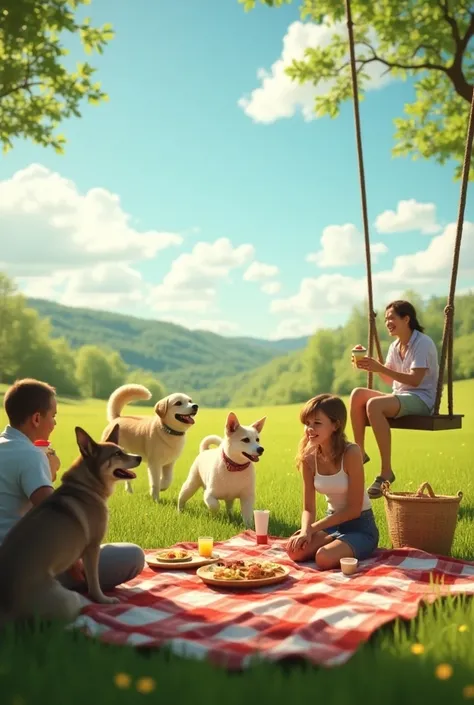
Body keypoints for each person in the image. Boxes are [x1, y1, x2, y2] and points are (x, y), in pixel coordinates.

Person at [0, 378, 145, 593]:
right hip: (21, 568)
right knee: (132, 556)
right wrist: (74, 563)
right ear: (37, 418)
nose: (55, 423)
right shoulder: (30, 455)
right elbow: (55, 516)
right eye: (54, 416)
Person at [350, 300, 439, 499]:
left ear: (406, 319)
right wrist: (369, 366)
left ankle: (386, 472)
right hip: (400, 395)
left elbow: (415, 380)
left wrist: (380, 367)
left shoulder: (422, 343)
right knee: (357, 394)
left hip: (421, 398)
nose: (387, 322)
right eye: (385, 319)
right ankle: (359, 453)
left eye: (391, 318)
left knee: (373, 404)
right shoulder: (395, 346)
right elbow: (390, 378)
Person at [286, 393, 378, 570]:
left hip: (360, 527)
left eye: (317, 423)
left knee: (323, 558)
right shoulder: (308, 458)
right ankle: (334, 543)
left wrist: (311, 530)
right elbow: (308, 508)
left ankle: (343, 546)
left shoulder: (351, 453)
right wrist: (306, 530)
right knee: (294, 551)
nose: (309, 429)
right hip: (331, 523)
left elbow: (353, 510)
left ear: (335, 425)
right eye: (307, 423)